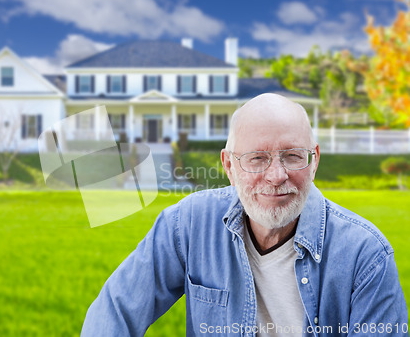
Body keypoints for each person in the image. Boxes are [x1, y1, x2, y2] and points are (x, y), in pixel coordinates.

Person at [81, 93, 408, 336]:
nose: (277, 175)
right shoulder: (187, 225)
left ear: (315, 160)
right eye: (256, 158)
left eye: (293, 156)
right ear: (228, 165)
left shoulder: (367, 256)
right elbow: (115, 311)